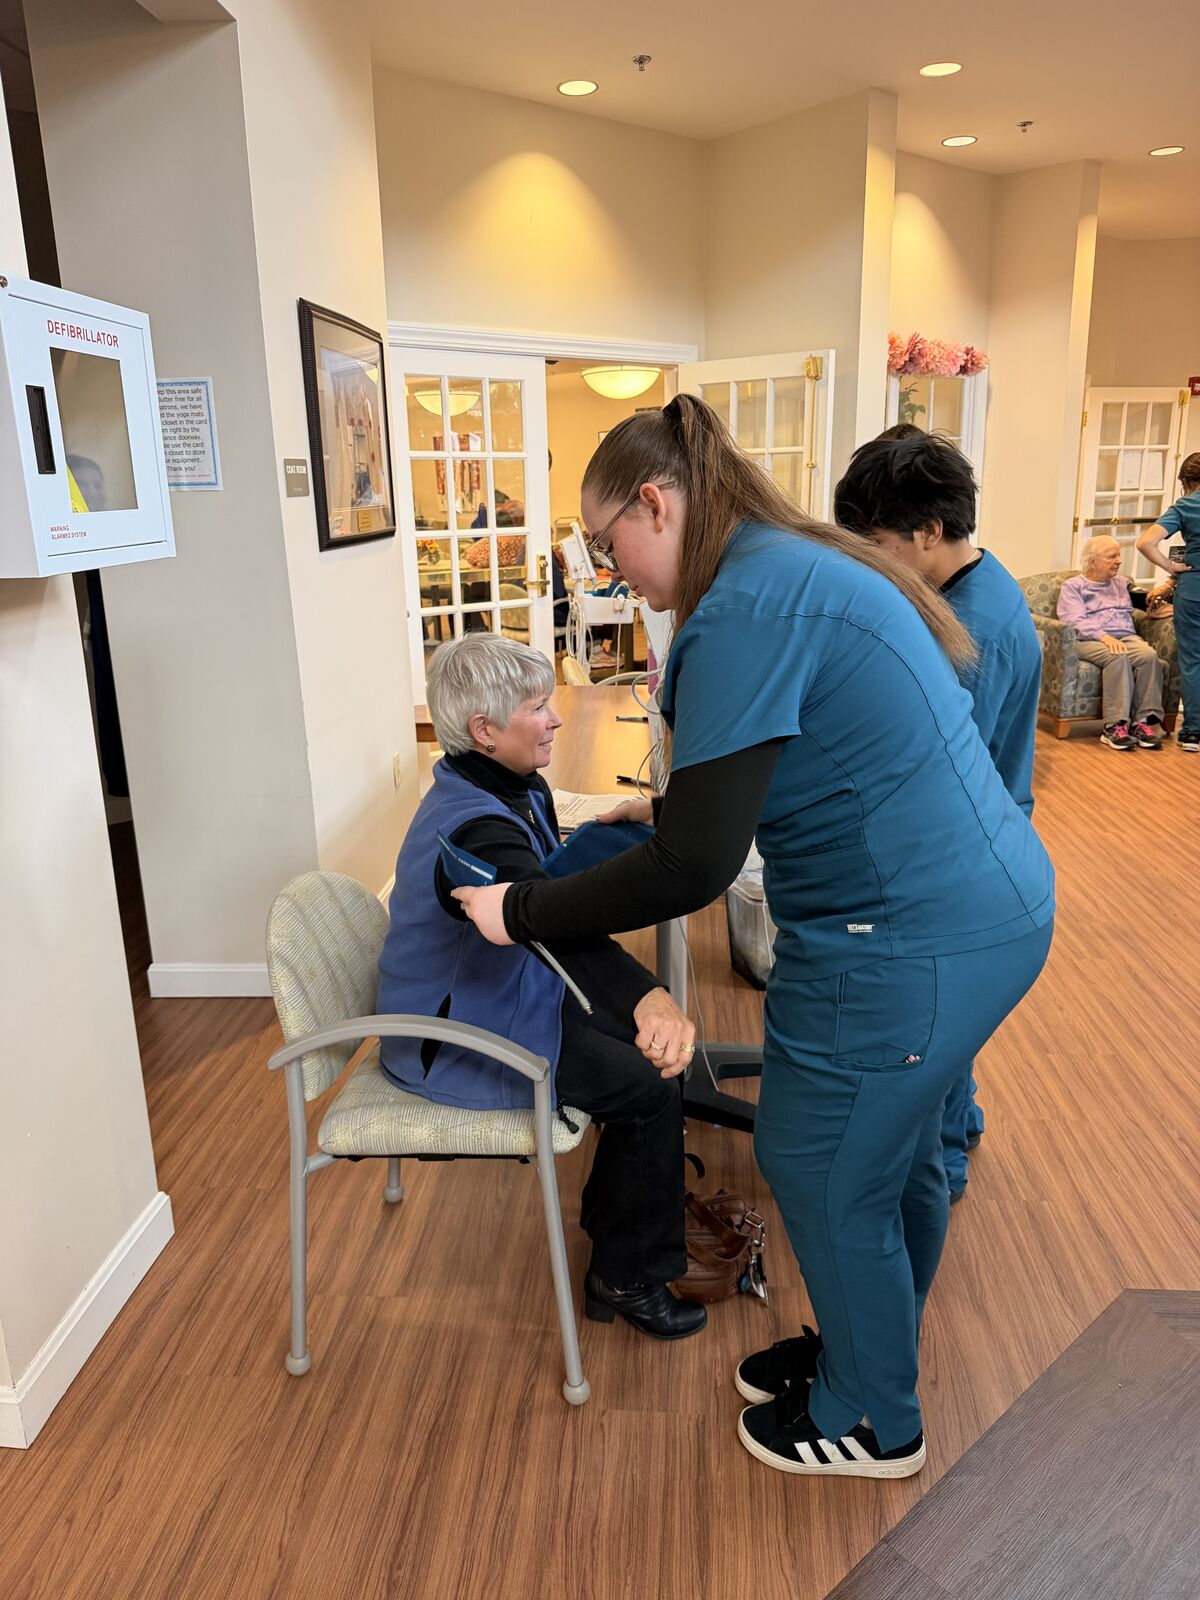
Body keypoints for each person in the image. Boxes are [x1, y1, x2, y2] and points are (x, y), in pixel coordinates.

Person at [453, 395, 1054, 1480]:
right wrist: (674, 808)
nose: (609, 567)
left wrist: (523, 910)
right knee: (897, 1152)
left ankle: (876, 1420)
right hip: (982, 908)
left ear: (657, 500)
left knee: (820, 1166)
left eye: (609, 543)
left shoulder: (745, 610)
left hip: (914, 935)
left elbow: (696, 868)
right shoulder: (784, 564)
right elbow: (761, 778)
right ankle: (868, 1355)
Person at [376, 633, 706, 1341]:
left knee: (649, 1075)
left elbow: (548, 880)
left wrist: (625, 826)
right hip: (457, 1033)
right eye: (538, 708)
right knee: (649, 1089)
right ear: (484, 730)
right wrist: (645, 994)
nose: (553, 720)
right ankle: (625, 1273)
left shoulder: (505, 784)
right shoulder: (472, 831)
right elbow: (550, 923)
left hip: (505, 997)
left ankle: (620, 1231)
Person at [833, 431, 1042, 1203]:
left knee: (935, 1034)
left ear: (929, 533)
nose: (873, 562)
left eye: (881, 544)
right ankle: (963, 1122)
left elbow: (932, 771)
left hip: (963, 860)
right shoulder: (976, 586)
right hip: (990, 835)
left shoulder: (968, 633)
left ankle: (941, 1174)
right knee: (955, 1022)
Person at [1056, 537, 1167, 751]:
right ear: (1093, 561)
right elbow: (1073, 621)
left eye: (1118, 556)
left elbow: (1145, 603)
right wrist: (1104, 637)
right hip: (1088, 639)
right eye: (1112, 557)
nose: (1119, 561)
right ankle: (1115, 726)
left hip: (1125, 636)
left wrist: (1164, 607)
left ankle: (1142, 723)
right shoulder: (1074, 587)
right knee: (1117, 656)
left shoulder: (1123, 583)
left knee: (1148, 656)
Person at [1137, 452, 1200, 753]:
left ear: (1187, 482)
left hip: (1194, 590)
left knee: (1193, 661)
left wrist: (1170, 568)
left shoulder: (1187, 504)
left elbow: (1146, 542)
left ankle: (1192, 734)